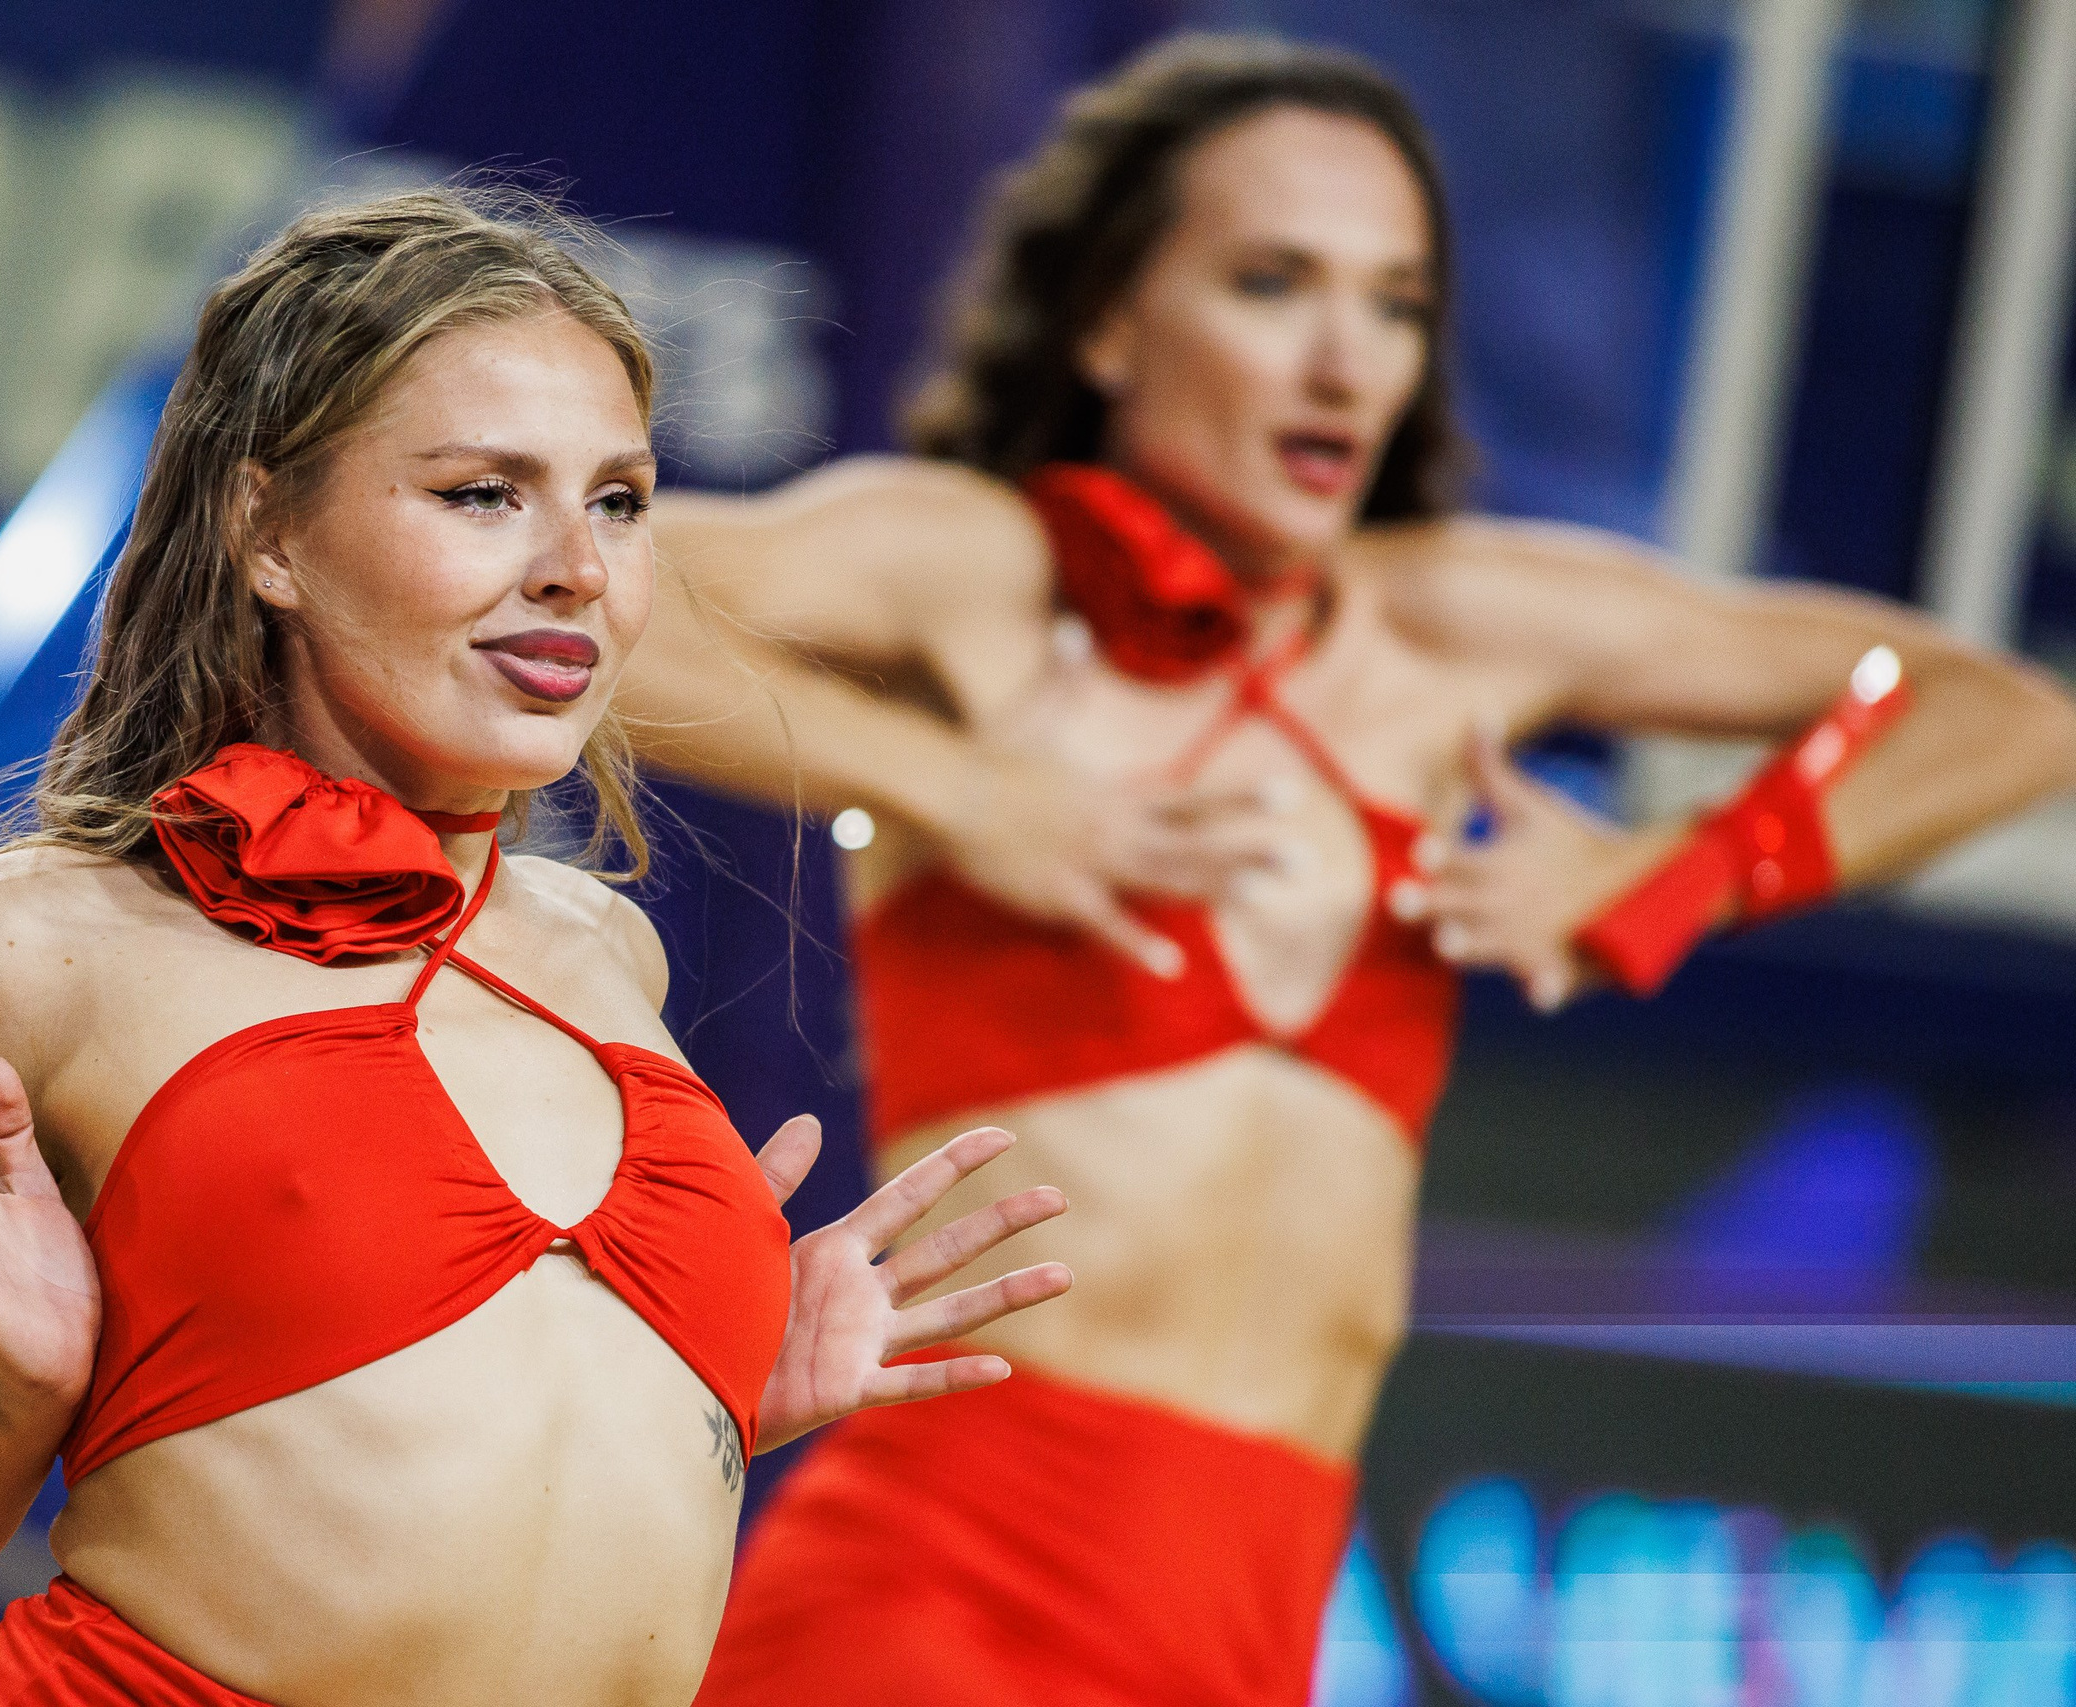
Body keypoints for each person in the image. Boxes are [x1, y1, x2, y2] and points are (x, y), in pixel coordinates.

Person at [622, 34, 2076, 1707]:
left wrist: (1679, 871)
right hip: (940, 1591)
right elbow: (577, 590)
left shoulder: (1463, 624)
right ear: (1109, 323)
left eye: (1393, 304)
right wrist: (959, 785)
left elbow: (1994, 716)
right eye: (1271, 283)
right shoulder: (989, 571)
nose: (1342, 361)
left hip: (1255, 1628)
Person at [0, 187, 1074, 1707]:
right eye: (483, 494)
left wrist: (698, 1386)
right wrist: (4, 1401)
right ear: (268, 533)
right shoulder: (31, 941)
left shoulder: (605, 951)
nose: (579, 566)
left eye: (620, 500)